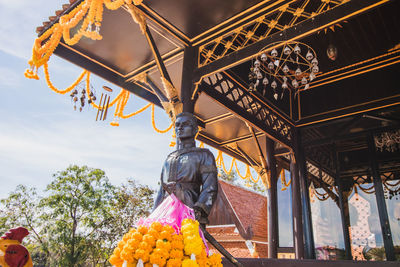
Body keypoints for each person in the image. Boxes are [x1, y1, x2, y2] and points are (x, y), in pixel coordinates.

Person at [153, 112, 218, 225]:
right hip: (164, 216)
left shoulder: (204, 155)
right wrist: (154, 215)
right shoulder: (169, 158)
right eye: (177, 125)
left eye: (185, 124)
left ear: (195, 130)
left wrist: (199, 210)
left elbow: (210, 187)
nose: (180, 127)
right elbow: (161, 191)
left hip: (189, 213)